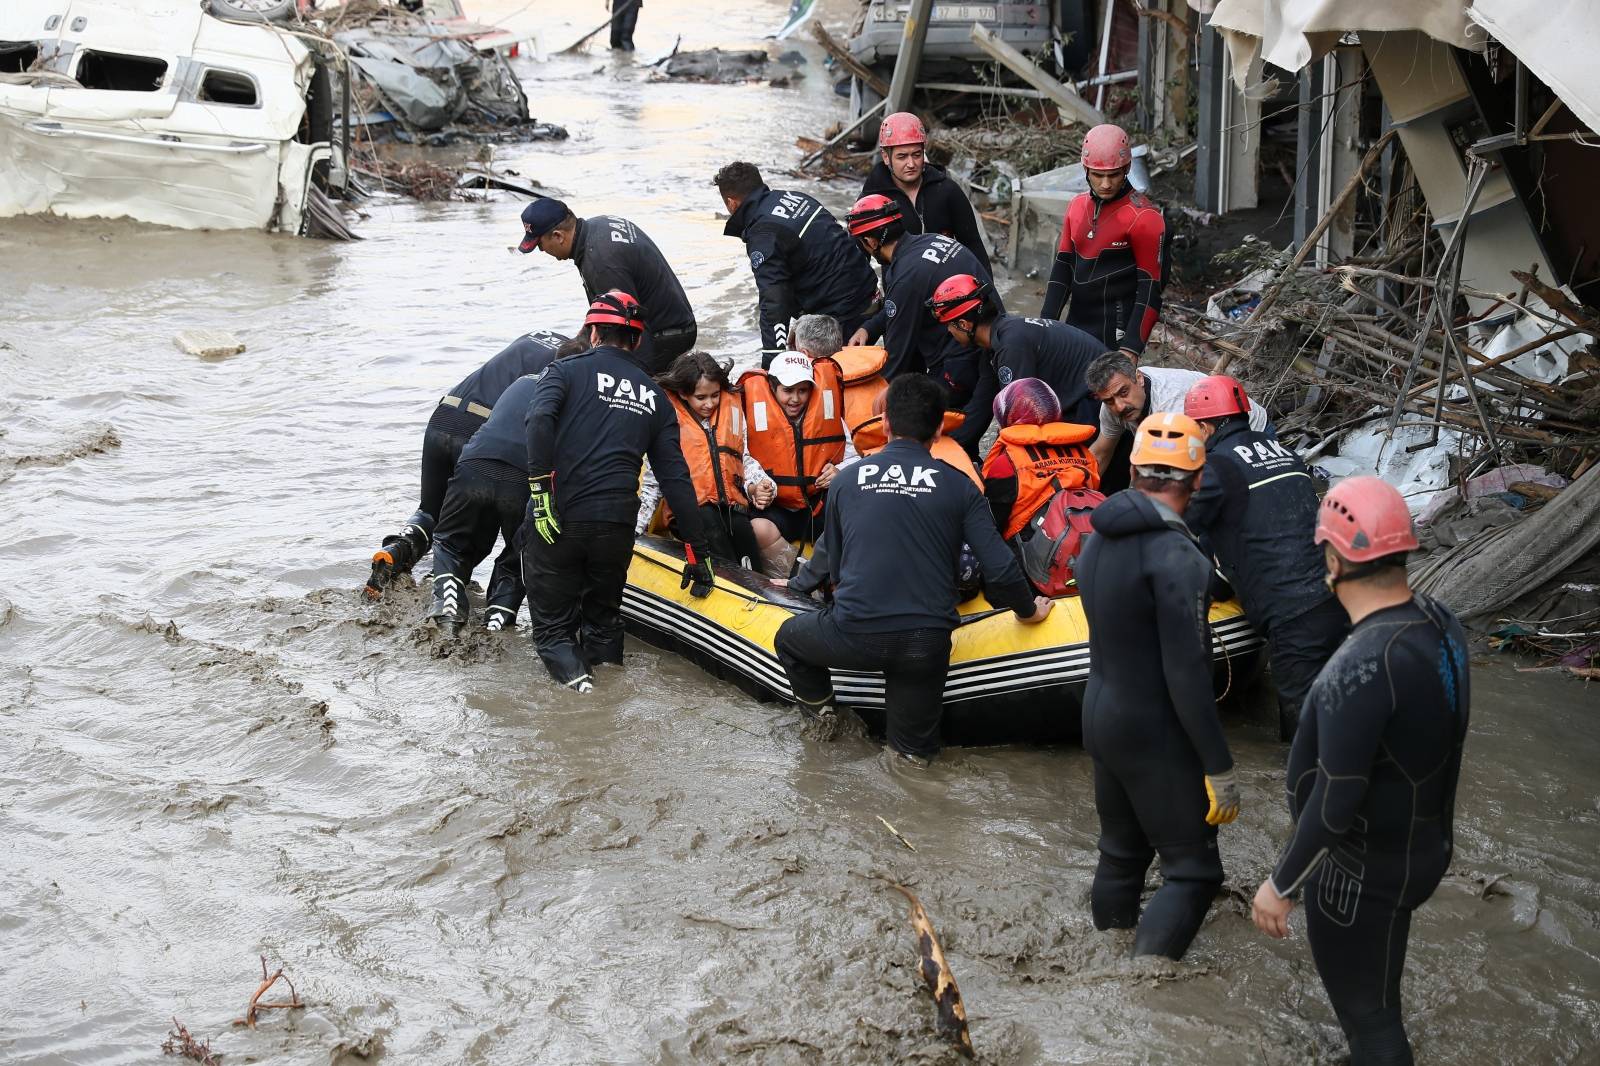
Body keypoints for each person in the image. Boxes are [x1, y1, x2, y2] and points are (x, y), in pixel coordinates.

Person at [1252, 476, 1470, 1066]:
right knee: (1377, 992)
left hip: (1358, 875)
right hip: (1421, 849)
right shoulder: (1439, 621)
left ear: (1332, 557)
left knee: (1369, 1022)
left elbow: (1335, 799)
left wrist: (1282, 885)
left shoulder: (1360, 666)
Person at [774, 374, 1051, 762]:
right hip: (925, 643)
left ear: (885, 424)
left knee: (788, 638)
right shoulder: (960, 486)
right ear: (939, 429)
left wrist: (795, 587)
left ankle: (824, 722)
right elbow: (1001, 568)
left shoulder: (847, 480)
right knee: (912, 760)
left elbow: (826, 556)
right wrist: (1028, 610)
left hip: (855, 632)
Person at [1076, 411, 1239, 960]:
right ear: (1197, 477)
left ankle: (1106, 964)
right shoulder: (1175, 555)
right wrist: (1218, 766)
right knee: (1193, 873)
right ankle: (1145, 992)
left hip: (1100, 715)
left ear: (1135, 468)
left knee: (1121, 855)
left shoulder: (1097, 539)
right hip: (1153, 730)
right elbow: (1187, 671)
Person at [522, 290, 714, 693]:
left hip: (559, 517)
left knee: (554, 632)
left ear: (593, 333)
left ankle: (587, 700)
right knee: (603, 621)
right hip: (617, 526)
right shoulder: (655, 398)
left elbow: (538, 420)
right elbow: (676, 478)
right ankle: (611, 694)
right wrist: (697, 551)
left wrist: (540, 493)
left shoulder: (564, 371)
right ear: (638, 340)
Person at [1183, 375, 1348, 740]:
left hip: (1294, 611)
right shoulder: (1286, 453)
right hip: (1341, 596)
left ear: (1205, 427)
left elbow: (1173, 524)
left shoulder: (1216, 469)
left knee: (1303, 742)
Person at [366, 328, 574, 598]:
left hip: (445, 413)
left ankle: (398, 549)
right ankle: (447, 591)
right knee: (477, 528)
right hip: (484, 431)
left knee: (430, 510)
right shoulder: (576, 364)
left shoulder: (538, 335)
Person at [844, 194, 1000, 456]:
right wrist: (869, 328)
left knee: (929, 434)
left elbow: (897, 354)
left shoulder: (907, 275)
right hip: (987, 341)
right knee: (964, 430)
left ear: (870, 241)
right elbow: (903, 304)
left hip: (962, 360)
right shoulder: (927, 241)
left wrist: (879, 404)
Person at [425, 369, 555, 635]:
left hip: (474, 463)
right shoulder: (572, 392)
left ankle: (448, 608)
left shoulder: (520, 380)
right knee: (519, 553)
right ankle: (498, 619)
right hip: (524, 475)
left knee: (451, 543)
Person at [713, 162, 878, 365]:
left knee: (831, 384)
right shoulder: (794, 197)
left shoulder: (763, 233)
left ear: (731, 203)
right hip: (868, 290)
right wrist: (802, 323)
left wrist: (772, 359)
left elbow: (774, 300)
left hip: (844, 312)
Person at [518, 198, 696, 374]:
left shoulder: (601, 264)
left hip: (666, 336)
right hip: (674, 322)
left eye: (540, 244)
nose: (542, 251)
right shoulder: (598, 226)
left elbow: (629, 331)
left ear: (558, 236)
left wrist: (632, 383)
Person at [635, 351, 778, 569]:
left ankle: (760, 584)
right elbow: (654, 480)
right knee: (709, 524)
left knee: (741, 530)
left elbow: (742, 458)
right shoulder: (668, 421)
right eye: (701, 398)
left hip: (729, 507)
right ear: (683, 393)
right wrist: (637, 526)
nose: (709, 404)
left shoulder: (731, 412)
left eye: (715, 395)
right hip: (690, 513)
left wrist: (760, 484)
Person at [1039, 123, 1168, 358]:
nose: (1106, 184)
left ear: (1127, 168)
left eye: (1114, 174)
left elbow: (1151, 289)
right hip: (1074, 328)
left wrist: (1131, 348)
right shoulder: (1076, 207)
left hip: (1115, 337)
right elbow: (1062, 270)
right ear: (1085, 170)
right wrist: (1043, 327)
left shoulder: (1145, 217)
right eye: (1098, 175)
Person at [927, 272, 1105, 428]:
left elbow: (1021, 418)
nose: (949, 332)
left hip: (1095, 403)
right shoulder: (1001, 335)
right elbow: (981, 403)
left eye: (949, 325)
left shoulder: (1011, 345)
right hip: (1089, 396)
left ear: (964, 324)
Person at [1085, 350, 1269, 494]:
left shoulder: (1170, 405)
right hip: (1201, 441)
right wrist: (1075, 489)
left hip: (1249, 431)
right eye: (1109, 400)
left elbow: (1177, 472)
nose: (1119, 406)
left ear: (1138, 378)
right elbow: (1101, 452)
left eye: (1124, 393)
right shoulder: (1112, 405)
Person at [980, 378, 1100, 594]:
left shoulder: (1006, 462)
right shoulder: (1084, 452)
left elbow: (992, 523)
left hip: (1033, 565)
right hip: (1089, 549)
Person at [737, 350, 847, 564]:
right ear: (772, 388)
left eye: (803, 391)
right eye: (788, 390)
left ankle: (828, 572)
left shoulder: (827, 415)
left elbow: (854, 454)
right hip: (777, 508)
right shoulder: (750, 417)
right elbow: (742, 460)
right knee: (756, 529)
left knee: (852, 518)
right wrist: (757, 488)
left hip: (818, 506)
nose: (795, 399)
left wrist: (839, 471)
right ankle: (794, 572)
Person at [860, 111, 991, 275]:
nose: (911, 164)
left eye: (916, 155)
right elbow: (858, 256)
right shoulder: (873, 199)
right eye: (902, 157)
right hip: (902, 290)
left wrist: (988, 293)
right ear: (886, 157)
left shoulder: (946, 191)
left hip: (947, 289)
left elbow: (973, 245)